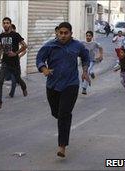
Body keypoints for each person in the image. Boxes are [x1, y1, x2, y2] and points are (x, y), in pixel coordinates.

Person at [36, 22, 90, 158]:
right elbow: (39, 58)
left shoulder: (77, 45)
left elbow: (85, 57)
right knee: (57, 113)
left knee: (64, 114)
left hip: (71, 84)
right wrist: (44, 69)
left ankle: (62, 146)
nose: (63, 35)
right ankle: (63, 119)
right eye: (61, 33)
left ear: (71, 33)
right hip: (53, 85)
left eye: (66, 33)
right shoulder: (50, 45)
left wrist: (85, 71)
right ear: (57, 33)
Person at [0, 17, 28, 109]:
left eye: (7, 23)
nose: (5, 24)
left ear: (10, 24)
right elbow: (1, 46)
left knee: (18, 79)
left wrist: (15, 53)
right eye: (4, 23)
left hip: (14, 62)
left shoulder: (15, 35)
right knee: (0, 81)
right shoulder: (1, 35)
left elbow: (25, 46)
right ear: (2, 24)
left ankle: (24, 87)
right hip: (5, 62)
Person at [0, 23, 27, 98]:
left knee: (15, 78)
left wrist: (18, 55)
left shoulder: (16, 37)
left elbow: (24, 49)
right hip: (6, 62)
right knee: (8, 77)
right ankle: (20, 87)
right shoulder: (6, 38)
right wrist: (0, 58)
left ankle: (13, 93)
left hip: (15, 62)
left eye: (11, 29)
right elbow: (2, 48)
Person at [81, 31, 103, 95]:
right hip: (85, 61)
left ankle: (84, 88)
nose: (88, 37)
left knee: (87, 71)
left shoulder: (95, 43)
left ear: (92, 37)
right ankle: (92, 73)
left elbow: (101, 48)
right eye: (87, 35)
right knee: (89, 71)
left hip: (92, 60)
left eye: (89, 36)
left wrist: (101, 55)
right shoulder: (82, 43)